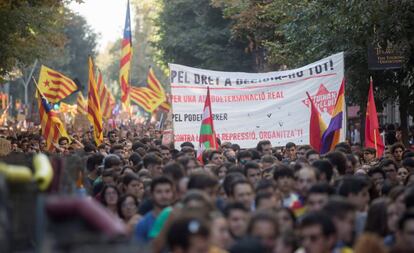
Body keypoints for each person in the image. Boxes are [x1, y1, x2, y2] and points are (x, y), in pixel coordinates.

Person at [135, 176, 175, 242]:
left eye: (167, 191)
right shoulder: (143, 224)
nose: (164, 196)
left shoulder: (180, 219)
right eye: (159, 192)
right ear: (152, 194)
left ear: (173, 193)